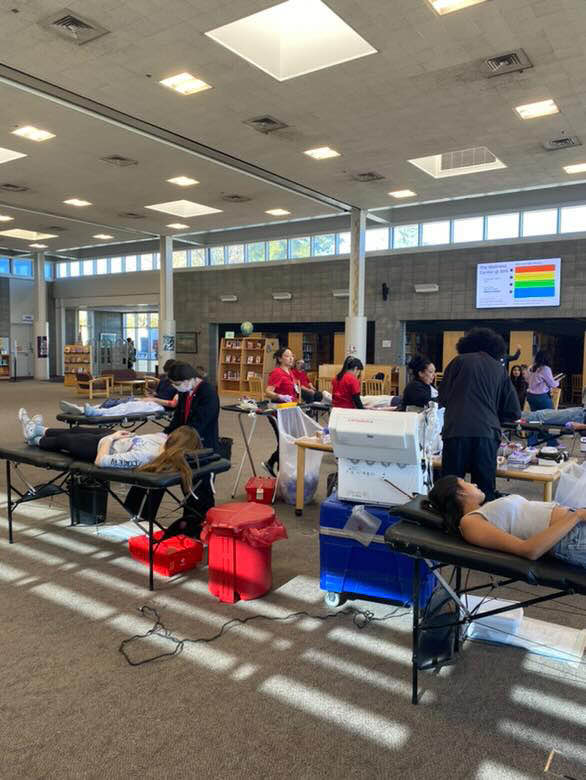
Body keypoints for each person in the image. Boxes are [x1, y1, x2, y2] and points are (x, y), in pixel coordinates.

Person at [429, 475, 586, 569]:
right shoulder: (470, 523)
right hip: (573, 537)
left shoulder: (485, 511)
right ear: (460, 492)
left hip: (575, 526)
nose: (475, 484)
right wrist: (576, 516)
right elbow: (529, 550)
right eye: (466, 482)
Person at [18, 408, 198, 488]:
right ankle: (37, 429)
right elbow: (161, 436)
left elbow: (101, 461)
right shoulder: (162, 441)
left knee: (66, 440)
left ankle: (34, 439)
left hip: (101, 449)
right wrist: (120, 435)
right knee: (78, 429)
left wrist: (111, 438)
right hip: (115, 440)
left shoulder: (146, 456)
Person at [439, 327, 521, 501]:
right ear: (495, 348)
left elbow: (443, 399)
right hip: (486, 434)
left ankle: (447, 525)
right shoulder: (499, 369)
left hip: (455, 431)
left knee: (451, 488)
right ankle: (480, 525)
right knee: (484, 491)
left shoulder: (456, 362)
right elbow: (513, 411)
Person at [166, 361, 220, 453]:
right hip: (185, 438)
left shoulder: (208, 392)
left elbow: (200, 423)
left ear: (189, 379)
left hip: (202, 442)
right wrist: (166, 433)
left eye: (177, 384)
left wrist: (180, 439)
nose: (176, 387)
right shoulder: (185, 390)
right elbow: (178, 416)